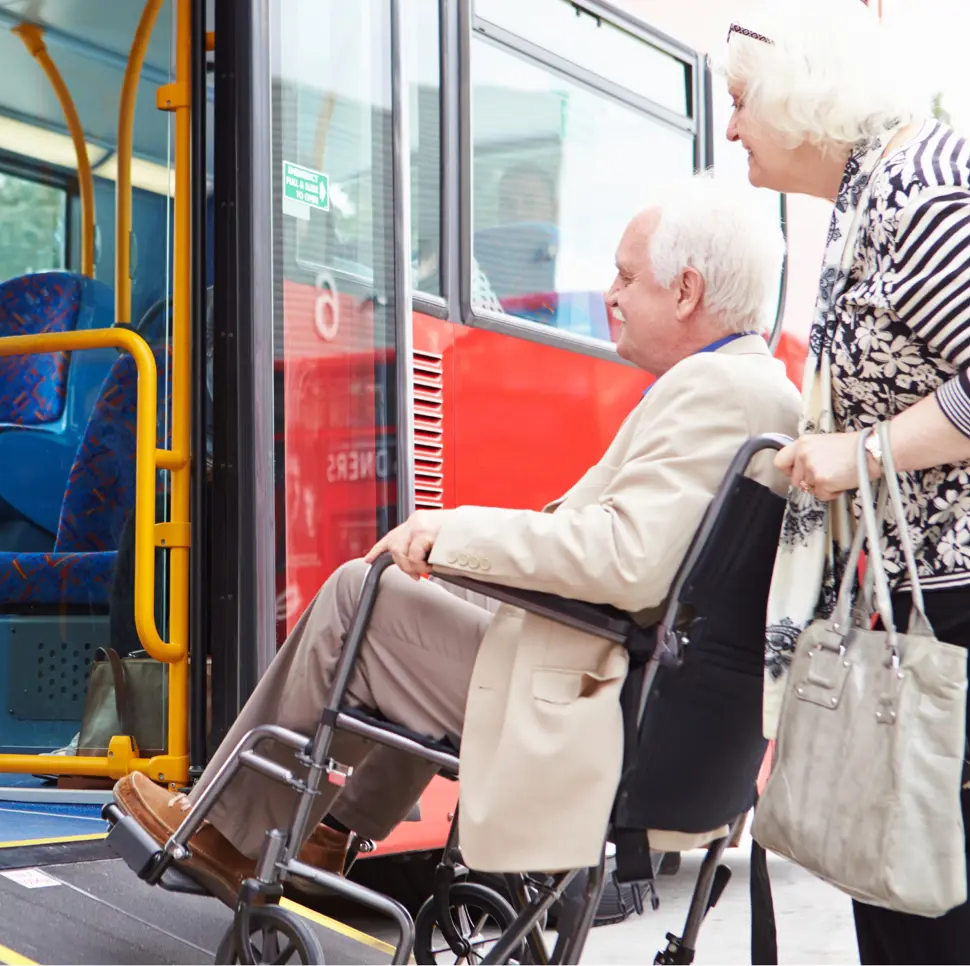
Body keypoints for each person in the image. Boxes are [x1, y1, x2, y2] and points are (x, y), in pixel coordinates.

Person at [112, 174, 802, 904]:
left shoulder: (714, 390)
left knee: (361, 596)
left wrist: (449, 531)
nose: (611, 294)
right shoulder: (760, 391)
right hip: (646, 702)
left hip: (598, 710)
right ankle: (329, 831)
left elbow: (625, 562)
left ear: (687, 291)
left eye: (628, 277)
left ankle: (227, 834)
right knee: (414, 595)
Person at [727, 3, 970, 960]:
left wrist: (864, 453)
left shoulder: (921, 188)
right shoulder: (871, 195)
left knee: (927, 907)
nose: (735, 125)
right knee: (901, 891)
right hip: (919, 603)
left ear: (802, 101)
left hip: (951, 610)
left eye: (743, 103)